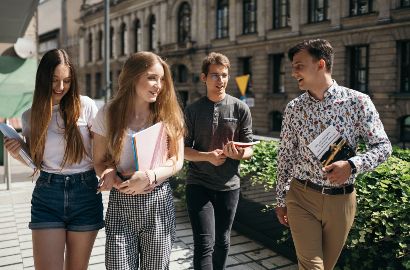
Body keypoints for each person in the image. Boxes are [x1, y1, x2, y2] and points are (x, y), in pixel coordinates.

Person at [275, 39, 392, 270]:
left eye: (299, 65)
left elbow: (383, 146)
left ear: (320, 64)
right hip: (301, 197)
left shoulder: (358, 102)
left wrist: (352, 164)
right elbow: (285, 156)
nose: (292, 72)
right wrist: (280, 199)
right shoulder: (293, 108)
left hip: (341, 202)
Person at [4, 49, 104, 270]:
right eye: (54, 80)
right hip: (48, 194)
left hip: (85, 191)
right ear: (43, 79)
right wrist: (18, 151)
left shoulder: (86, 105)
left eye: (67, 81)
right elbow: (36, 162)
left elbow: (101, 153)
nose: (60, 87)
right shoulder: (30, 116)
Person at [92, 51, 185, 270]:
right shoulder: (107, 113)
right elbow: (99, 161)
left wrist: (149, 176)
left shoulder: (169, 113)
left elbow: (177, 160)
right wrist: (110, 175)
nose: (158, 85)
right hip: (121, 203)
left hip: (158, 203)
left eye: (162, 79)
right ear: (133, 77)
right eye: (152, 77)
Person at [184, 52, 254, 270]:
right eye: (215, 75)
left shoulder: (240, 108)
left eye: (224, 75)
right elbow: (182, 150)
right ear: (204, 78)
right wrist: (207, 157)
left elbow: (249, 149)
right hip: (198, 183)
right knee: (204, 243)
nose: (221, 80)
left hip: (229, 185)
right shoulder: (193, 110)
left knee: (222, 241)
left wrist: (237, 154)